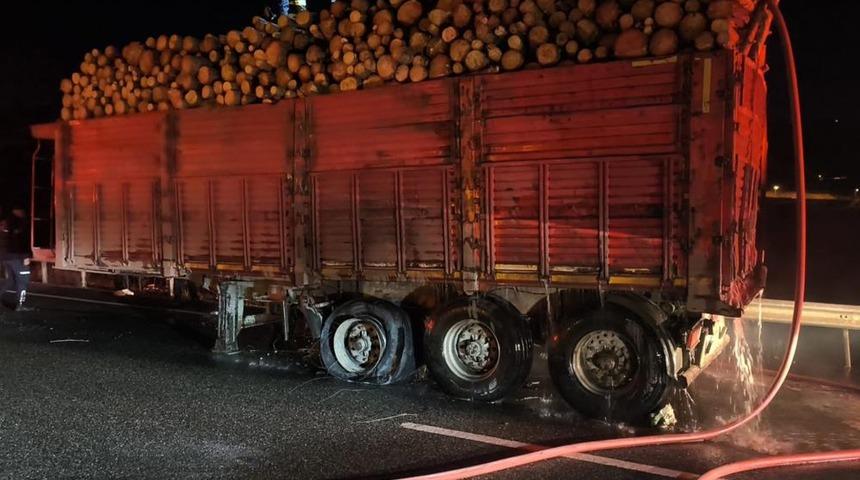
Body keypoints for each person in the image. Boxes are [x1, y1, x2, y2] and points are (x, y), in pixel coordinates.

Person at [0, 207, 33, 313]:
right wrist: (26, 256)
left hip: (5, 257)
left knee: (11, 280)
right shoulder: (19, 223)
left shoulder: (4, 222)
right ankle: (20, 305)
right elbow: (20, 242)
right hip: (17, 257)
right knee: (23, 281)